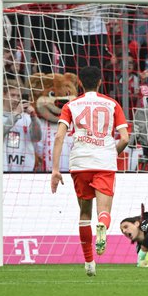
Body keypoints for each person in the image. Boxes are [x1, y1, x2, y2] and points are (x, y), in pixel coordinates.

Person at [50, 66, 130, 277]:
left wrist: (56, 170)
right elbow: (125, 138)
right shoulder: (112, 104)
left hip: (80, 162)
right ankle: (102, 226)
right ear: (101, 82)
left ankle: (89, 263)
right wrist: (112, 154)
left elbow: (59, 137)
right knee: (104, 212)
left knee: (84, 213)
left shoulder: (71, 105)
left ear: (80, 84)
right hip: (104, 161)